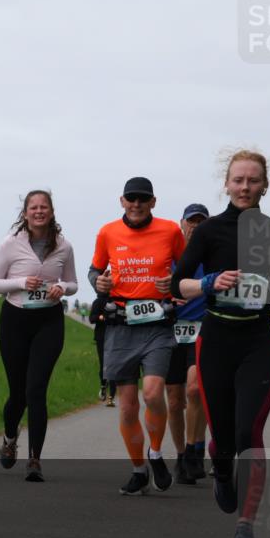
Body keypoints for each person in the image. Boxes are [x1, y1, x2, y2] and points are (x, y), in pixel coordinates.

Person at [172, 149, 270, 538]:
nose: (245, 187)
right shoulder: (208, 232)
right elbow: (179, 284)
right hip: (214, 340)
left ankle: (246, 527)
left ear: (265, 185)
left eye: (253, 180)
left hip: (256, 342)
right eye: (238, 180)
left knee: (250, 432)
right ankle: (222, 470)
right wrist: (210, 281)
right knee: (224, 440)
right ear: (227, 184)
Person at [90, 177, 185, 495]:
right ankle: (138, 470)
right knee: (128, 406)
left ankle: (156, 452)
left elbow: (185, 268)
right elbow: (95, 270)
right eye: (131, 198)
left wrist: (174, 280)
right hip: (120, 325)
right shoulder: (107, 232)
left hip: (157, 325)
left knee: (153, 393)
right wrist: (98, 284)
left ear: (153, 202)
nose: (136, 204)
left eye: (143, 199)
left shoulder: (171, 230)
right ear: (122, 201)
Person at [0, 191, 78, 482]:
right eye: (33, 207)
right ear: (25, 213)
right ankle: (10, 438)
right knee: (18, 394)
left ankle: (35, 459)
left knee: (36, 389)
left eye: (44, 207)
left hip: (48, 321)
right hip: (14, 321)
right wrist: (20, 282)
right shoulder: (11, 244)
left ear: (51, 212)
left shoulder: (64, 245)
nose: (39, 212)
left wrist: (62, 286)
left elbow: (73, 283)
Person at [165, 204, 210, 485]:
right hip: (170, 333)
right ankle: (181, 455)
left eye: (200, 222)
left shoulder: (213, 255)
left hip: (202, 330)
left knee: (195, 389)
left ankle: (195, 449)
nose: (195, 226)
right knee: (174, 399)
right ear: (181, 224)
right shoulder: (168, 254)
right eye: (191, 222)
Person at [88, 296, 117, 407]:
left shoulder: (119, 299)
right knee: (104, 365)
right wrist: (102, 317)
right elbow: (91, 318)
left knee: (114, 365)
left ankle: (111, 397)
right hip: (102, 337)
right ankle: (103, 385)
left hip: (116, 337)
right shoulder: (98, 301)